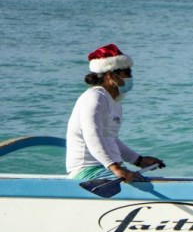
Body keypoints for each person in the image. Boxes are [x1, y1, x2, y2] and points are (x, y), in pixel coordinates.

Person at [66, 43, 164, 182]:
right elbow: (92, 135)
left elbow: (110, 138)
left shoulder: (115, 102)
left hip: (107, 167)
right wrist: (115, 168)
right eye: (127, 73)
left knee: (141, 179)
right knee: (136, 182)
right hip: (87, 170)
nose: (131, 77)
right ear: (110, 76)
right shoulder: (94, 98)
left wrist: (139, 160)